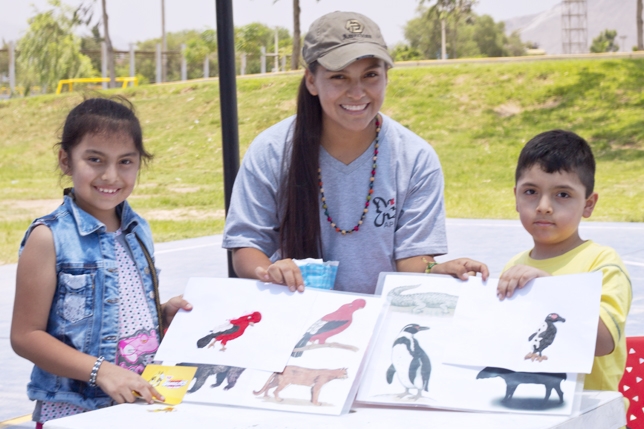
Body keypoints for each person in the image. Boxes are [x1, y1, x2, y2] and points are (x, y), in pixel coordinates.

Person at [223, 11, 488, 295]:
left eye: (370, 75)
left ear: (387, 76)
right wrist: (269, 271)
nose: (357, 92)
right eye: (339, 77)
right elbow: (246, 247)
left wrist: (435, 269)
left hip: (379, 320)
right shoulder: (272, 150)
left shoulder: (416, 158)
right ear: (311, 80)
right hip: (295, 314)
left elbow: (412, 259)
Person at [10, 97, 192, 427]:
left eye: (125, 161)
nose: (110, 175)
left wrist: (161, 315)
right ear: (66, 160)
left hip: (136, 406)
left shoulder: (138, 230)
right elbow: (25, 335)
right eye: (95, 159)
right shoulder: (48, 237)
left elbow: (115, 313)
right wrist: (102, 372)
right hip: (74, 413)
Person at [497, 130, 631, 392]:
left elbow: (602, 343)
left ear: (588, 205)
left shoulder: (602, 263)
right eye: (531, 191)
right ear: (516, 197)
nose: (544, 206)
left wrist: (550, 288)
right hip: (535, 412)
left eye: (563, 195)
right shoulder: (514, 266)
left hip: (595, 418)